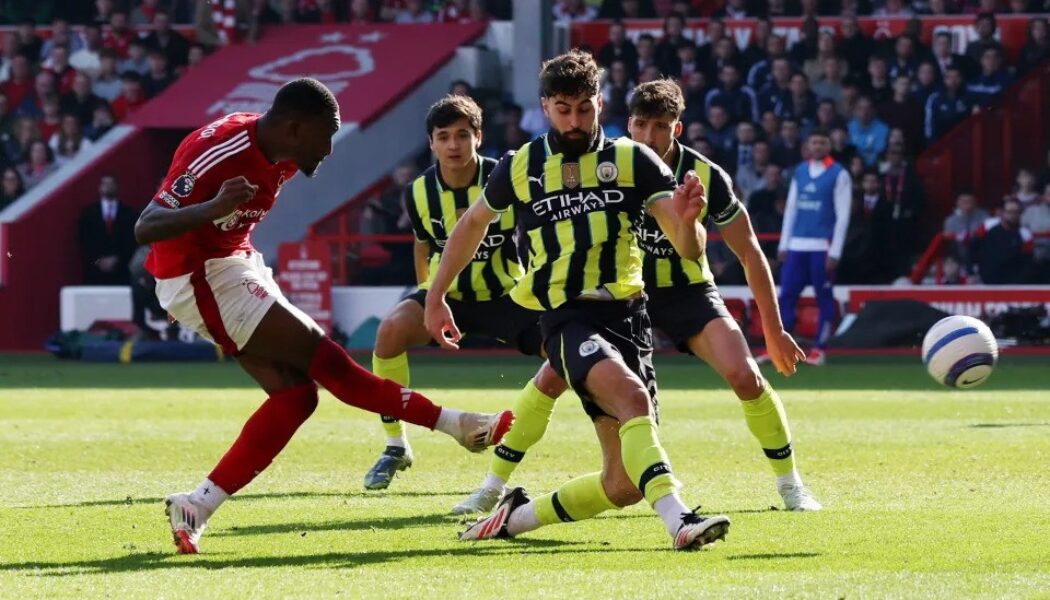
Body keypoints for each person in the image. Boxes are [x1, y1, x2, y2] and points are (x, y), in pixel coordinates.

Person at [134, 78, 513, 555]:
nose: (331, 148)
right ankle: (457, 424)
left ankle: (197, 505)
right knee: (328, 361)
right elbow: (145, 225)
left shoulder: (284, 152)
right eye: (326, 135)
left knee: (296, 399)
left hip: (234, 262)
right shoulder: (219, 150)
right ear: (294, 128)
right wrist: (212, 208)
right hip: (199, 275)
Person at [457, 79, 820, 518]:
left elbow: (748, 251)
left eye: (661, 127)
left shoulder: (704, 176)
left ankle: (791, 486)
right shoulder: (607, 162)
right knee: (549, 381)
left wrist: (774, 329)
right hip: (618, 297)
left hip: (685, 292)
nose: (650, 137)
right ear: (628, 124)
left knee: (745, 375)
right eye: (642, 126)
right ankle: (492, 487)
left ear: (677, 130)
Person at [429, 50, 731, 551]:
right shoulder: (521, 165)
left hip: (629, 319)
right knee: (630, 398)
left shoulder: (634, 160)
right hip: (566, 318)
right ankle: (680, 521)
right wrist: (436, 294)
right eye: (564, 109)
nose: (575, 121)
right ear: (545, 106)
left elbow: (689, 249)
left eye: (585, 109)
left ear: (601, 103)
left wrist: (687, 218)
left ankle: (514, 519)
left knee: (623, 485)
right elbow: (472, 224)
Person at [362, 95, 568, 491]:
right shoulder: (418, 192)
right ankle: (395, 445)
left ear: (478, 137)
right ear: (432, 143)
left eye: (462, 135)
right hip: (448, 298)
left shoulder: (506, 177)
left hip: (508, 296)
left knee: (569, 352)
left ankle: (510, 435)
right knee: (389, 332)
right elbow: (423, 244)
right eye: (444, 136)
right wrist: (427, 293)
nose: (453, 145)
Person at [774, 130, 852, 366]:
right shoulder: (800, 171)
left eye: (822, 142)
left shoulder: (839, 174)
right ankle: (783, 345)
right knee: (786, 295)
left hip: (822, 246)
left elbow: (843, 215)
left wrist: (836, 250)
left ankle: (820, 348)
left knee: (824, 298)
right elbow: (791, 210)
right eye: (814, 142)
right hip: (797, 244)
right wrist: (783, 243)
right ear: (808, 145)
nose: (817, 146)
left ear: (829, 145)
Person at [78, 174, 137, 285]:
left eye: (111, 184)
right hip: (95, 273)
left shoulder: (129, 213)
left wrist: (117, 259)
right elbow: (85, 240)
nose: (108, 187)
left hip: (121, 272)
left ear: (116, 186)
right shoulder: (89, 213)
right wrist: (98, 260)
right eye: (105, 184)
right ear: (99, 187)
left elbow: (132, 240)